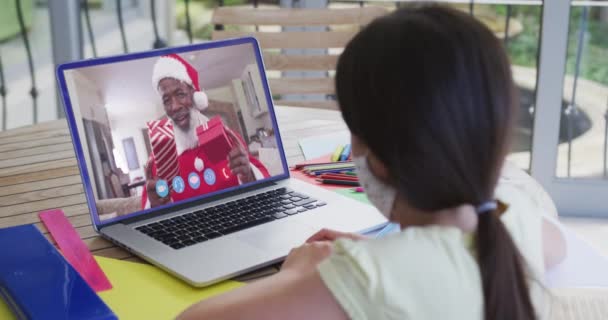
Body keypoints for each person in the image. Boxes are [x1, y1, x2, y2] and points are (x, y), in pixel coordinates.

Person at [177, 6, 566, 320]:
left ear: (377, 160)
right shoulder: (520, 220)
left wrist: (301, 275)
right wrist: (388, 253)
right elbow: (554, 247)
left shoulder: (365, 280)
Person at [142, 54, 270, 209]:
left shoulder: (229, 137)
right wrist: (154, 206)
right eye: (166, 100)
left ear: (195, 96)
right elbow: (149, 215)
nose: (174, 106)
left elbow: (265, 191)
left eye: (180, 94)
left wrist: (248, 174)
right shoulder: (158, 160)